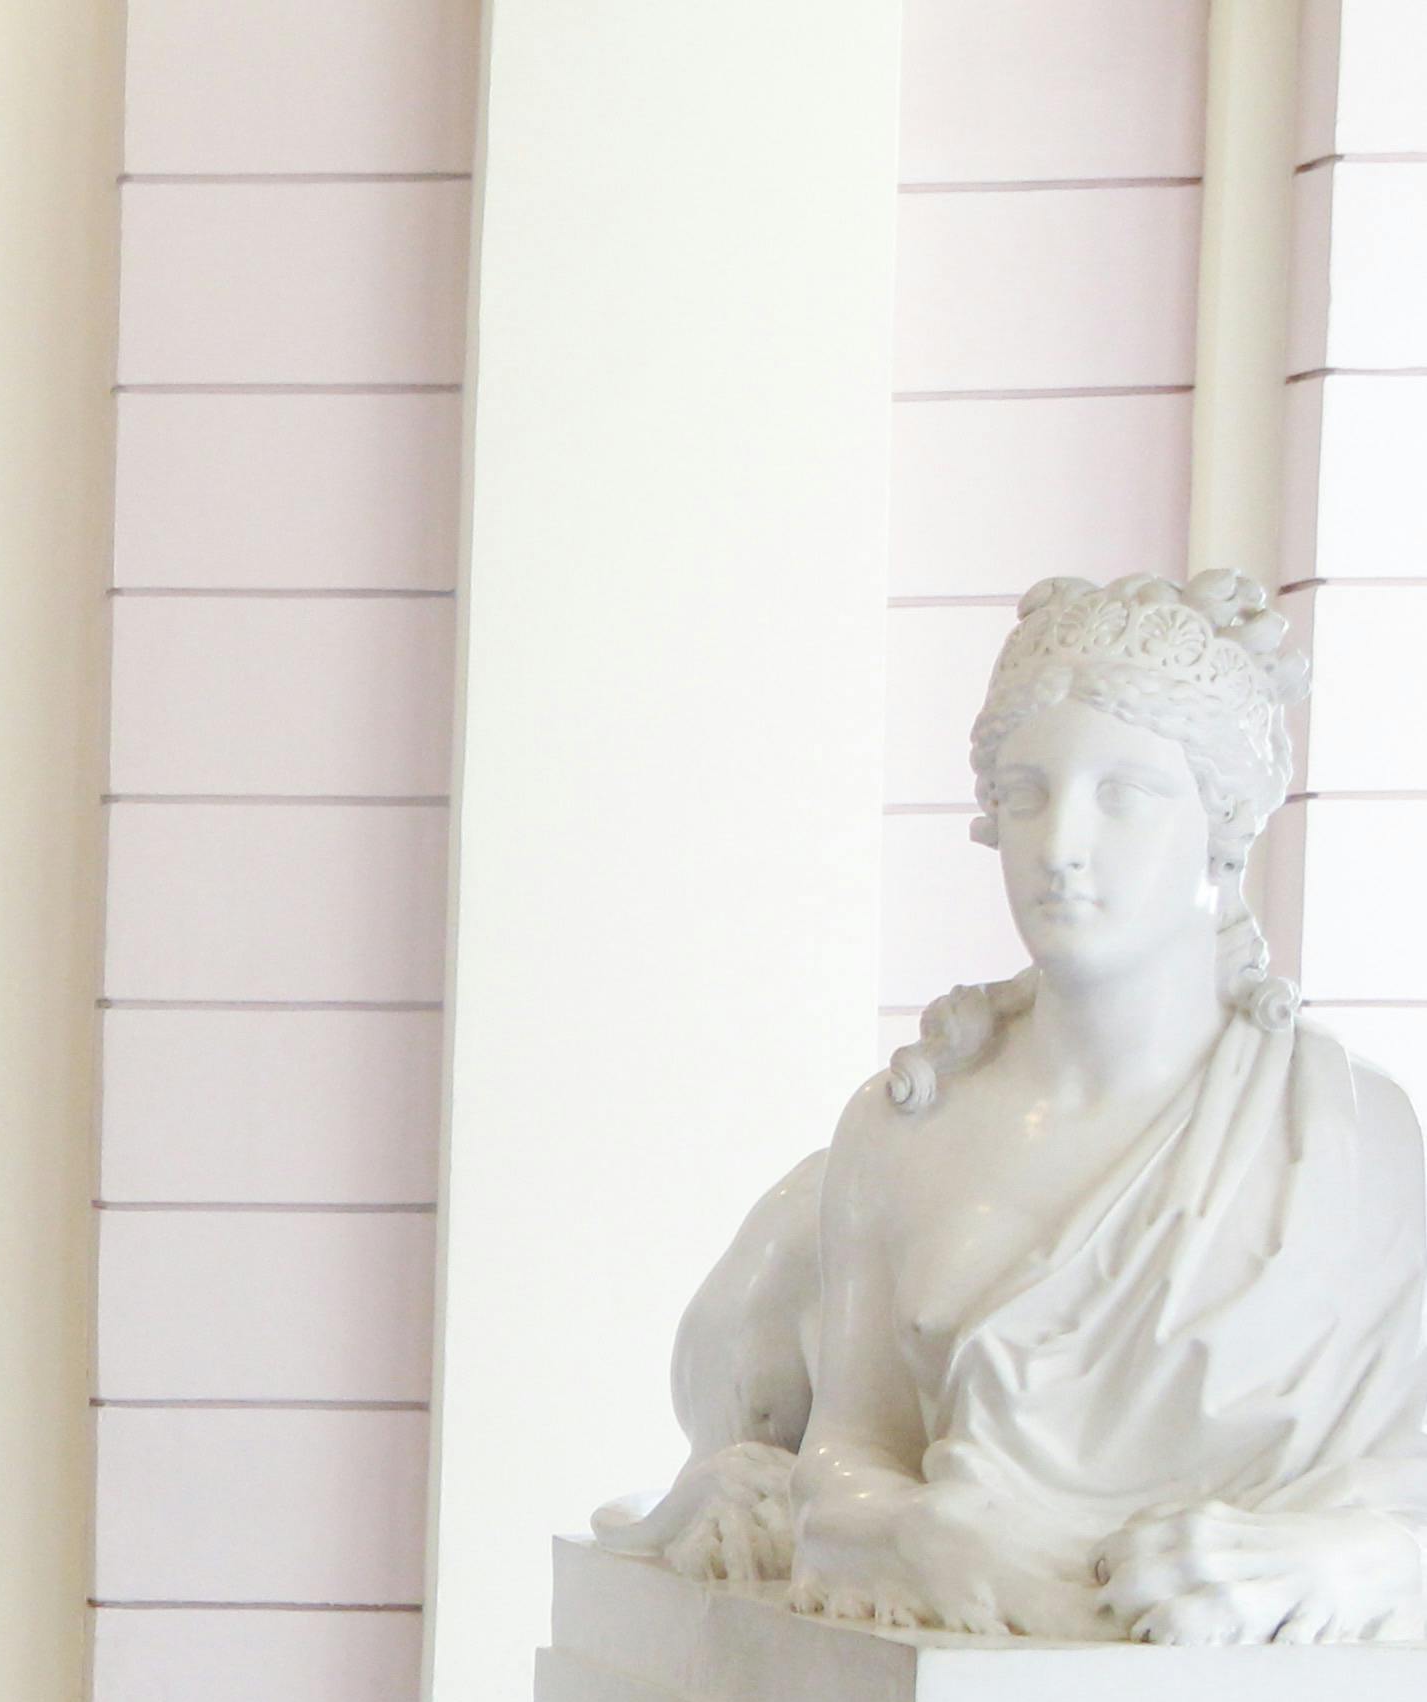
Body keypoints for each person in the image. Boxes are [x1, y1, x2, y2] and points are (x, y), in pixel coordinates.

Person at [601, 570, 1427, 1642]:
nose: (1061, 845)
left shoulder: (1343, 1135)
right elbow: (849, 1454)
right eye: (1027, 794)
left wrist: (1342, 1560)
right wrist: (925, 1536)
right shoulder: (906, 1127)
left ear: (1221, 825)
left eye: (1122, 794)